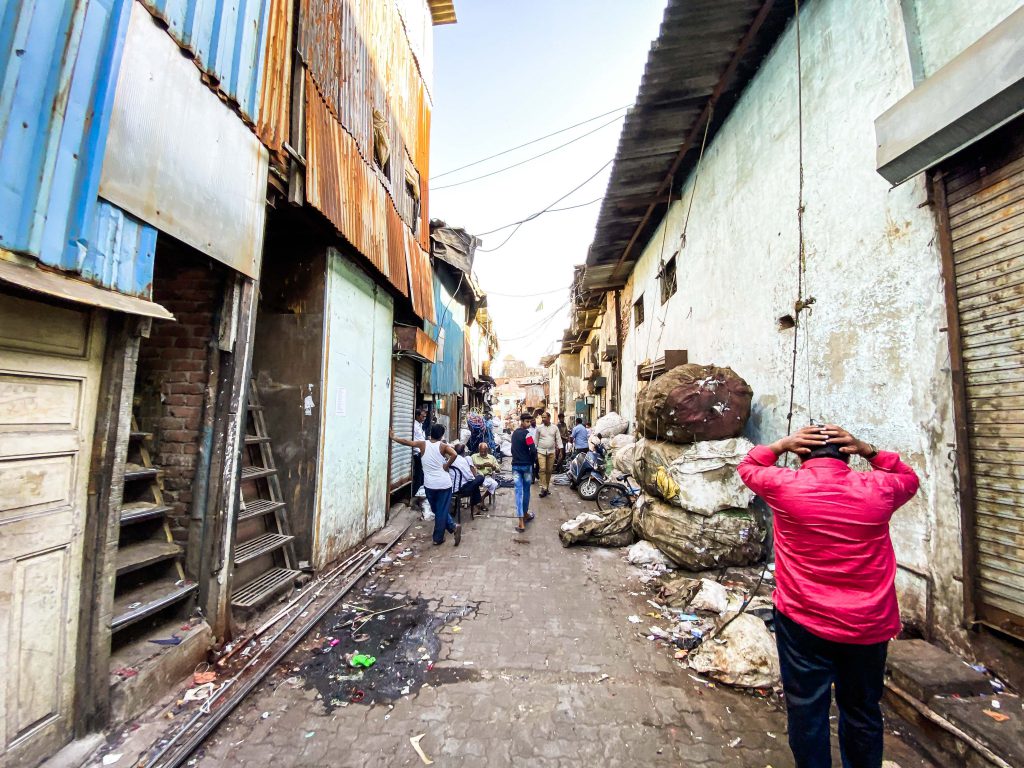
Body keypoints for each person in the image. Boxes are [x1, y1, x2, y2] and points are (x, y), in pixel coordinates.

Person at [737, 424, 920, 768]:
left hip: (803, 621)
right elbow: (907, 476)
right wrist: (869, 449)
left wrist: (780, 444)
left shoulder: (785, 485)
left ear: (800, 453)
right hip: (868, 625)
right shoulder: (879, 488)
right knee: (862, 710)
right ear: (846, 454)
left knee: (807, 710)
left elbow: (748, 466)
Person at [391, 424, 462, 546]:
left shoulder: (422, 444)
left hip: (430, 485)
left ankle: (439, 537)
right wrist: (447, 465)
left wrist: (394, 437)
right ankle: (452, 528)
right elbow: (454, 454)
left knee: (437, 510)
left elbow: (407, 442)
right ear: (441, 435)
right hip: (444, 484)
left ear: (431, 433)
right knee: (439, 510)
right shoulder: (443, 446)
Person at [510, 412, 537, 532]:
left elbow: (512, 449)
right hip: (526, 467)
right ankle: (524, 516)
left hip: (516, 466)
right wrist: (531, 461)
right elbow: (533, 450)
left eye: (529, 422)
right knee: (525, 492)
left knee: (518, 493)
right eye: (527, 421)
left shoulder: (514, 433)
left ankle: (522, 520)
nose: (528, 424)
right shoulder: (527, 435)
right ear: (521, 421)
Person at [449, 443, 486, 518]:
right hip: (460, 489)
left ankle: (477, 504)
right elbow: (470, 478)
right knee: (480, 478)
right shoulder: (462, 461)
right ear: (463, 452)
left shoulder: (450, 459)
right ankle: (477, 503)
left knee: (475, 485)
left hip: (451, 487)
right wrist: (475, 476)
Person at [535, 412, 561, 497]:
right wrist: (534, 450)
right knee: (542, 469)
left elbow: (558, 439)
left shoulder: (555, 428)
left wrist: (561, 450)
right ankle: (544, 487)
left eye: (544, 417)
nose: (543, 419)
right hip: (541, 451)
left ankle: (546, 486)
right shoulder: (539, 428)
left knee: (549, 470)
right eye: (542, 417)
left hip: (551, 452)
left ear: (549, 418)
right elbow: (536, 440)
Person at [472, 442, 501, 509]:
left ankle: (483, 497)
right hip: (476, 477)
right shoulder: (474, 456)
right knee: (472, 485)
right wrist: (479, 466)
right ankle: (476, 500)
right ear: (478, 450)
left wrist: (492, 466)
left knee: (494, 484)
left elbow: (498, 470)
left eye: (484, 452)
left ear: (487, 450)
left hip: (486, 477)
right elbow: (469, 466)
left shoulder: (491, 458)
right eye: (481, 451)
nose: (482, 453)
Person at [411, 409, 427, 508]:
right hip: (417, 453)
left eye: (425, 416)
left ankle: (419, 496)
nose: (424, 418)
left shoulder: (420, 425)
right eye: (422, 416)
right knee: (419, 475)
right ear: (417, 416)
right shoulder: (414, 426)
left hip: (421, 452)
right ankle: (416, 496)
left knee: (421, 475)